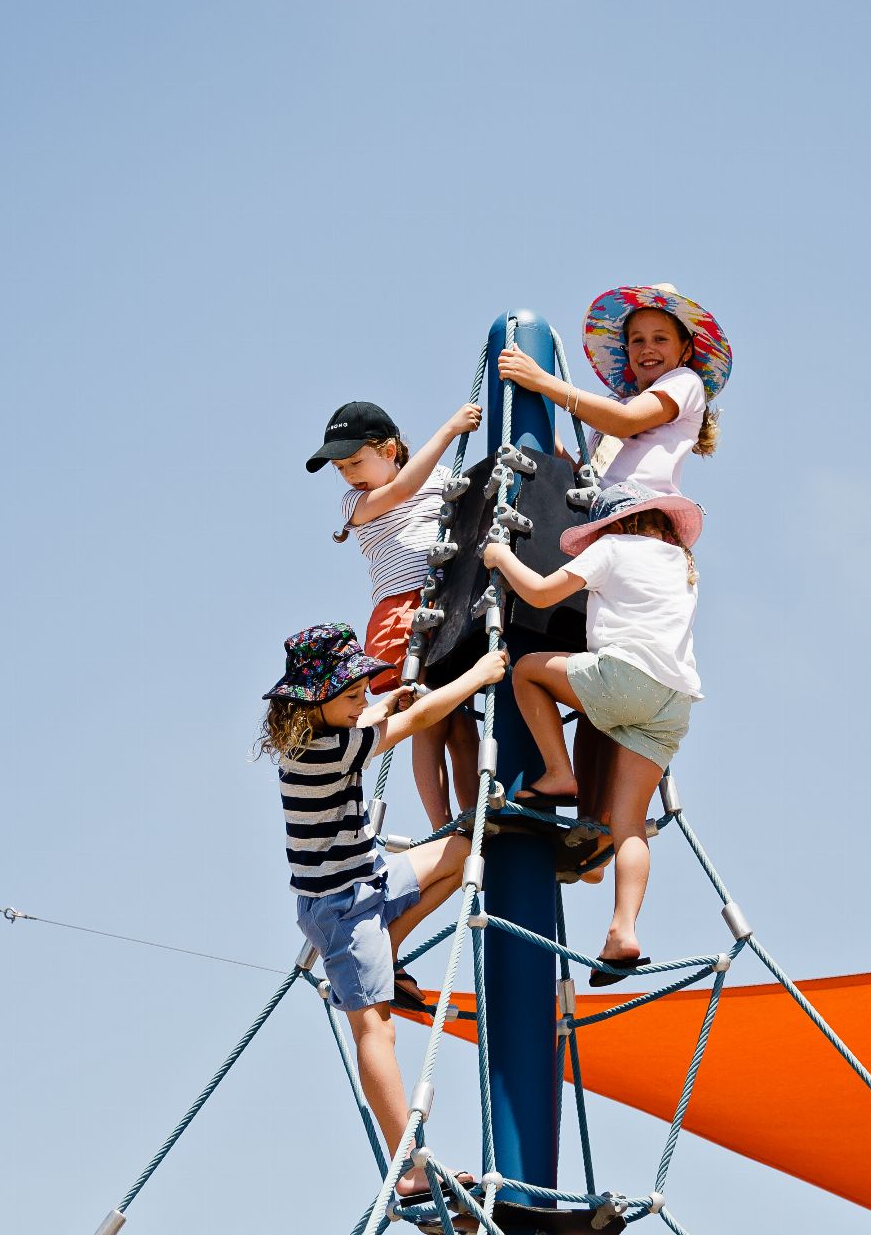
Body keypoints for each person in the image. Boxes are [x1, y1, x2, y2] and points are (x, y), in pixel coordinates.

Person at [258, 622, 508, 1205]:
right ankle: (411, 1165)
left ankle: (389, 950)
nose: (361, 705)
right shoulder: (331, 748)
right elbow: (411, 724)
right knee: (376, 1027)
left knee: (460, 852)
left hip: (369, 879)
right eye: (352, 697)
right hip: (342, 912)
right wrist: (476, 676)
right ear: (319, 704)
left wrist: (379, 705)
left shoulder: (319, 735)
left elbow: (374, 720)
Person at [482, 481, 703, 986]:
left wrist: (499, 556)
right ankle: (623, 929)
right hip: (673, 701)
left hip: (625, 676)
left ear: (611, 523)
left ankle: (559, 774)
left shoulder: (612, 548)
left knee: (527, 672)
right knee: (628, 826)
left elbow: (537, 592)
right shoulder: (682, 565)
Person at [307, 399, 484, 826]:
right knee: (425, 717)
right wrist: (449, 430)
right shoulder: (355, 503)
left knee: (460, 724)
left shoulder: (439, 479)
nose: (349, 475)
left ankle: (475, 815)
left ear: (389, 451)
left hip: (446, 602)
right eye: (341, 469)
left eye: (354, 462)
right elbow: (403, 491)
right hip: (402, 610)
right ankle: (442, 823)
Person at [496, 283, 732, 495]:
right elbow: (584, 479)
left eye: (660, 339)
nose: (647, 348)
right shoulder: (612, 410)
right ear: (626, 350)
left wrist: (542, 381)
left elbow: (624, 421)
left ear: (686, 350)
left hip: (637, 508)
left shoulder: (684, 381)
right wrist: (548, 430)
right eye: (637, 340)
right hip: (601, 513)